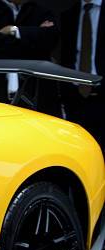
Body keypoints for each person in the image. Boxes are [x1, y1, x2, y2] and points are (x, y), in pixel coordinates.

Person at [0, 0, 60, 111]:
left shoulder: (42, 11)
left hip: (34, 88)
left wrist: (14, 30)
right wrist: (32, 37)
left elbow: (50, 39)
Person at [61, 0, 104, 156]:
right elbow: (66, 56)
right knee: (79, 153)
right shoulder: (68, 15)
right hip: (76, 96)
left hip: (101, 93)